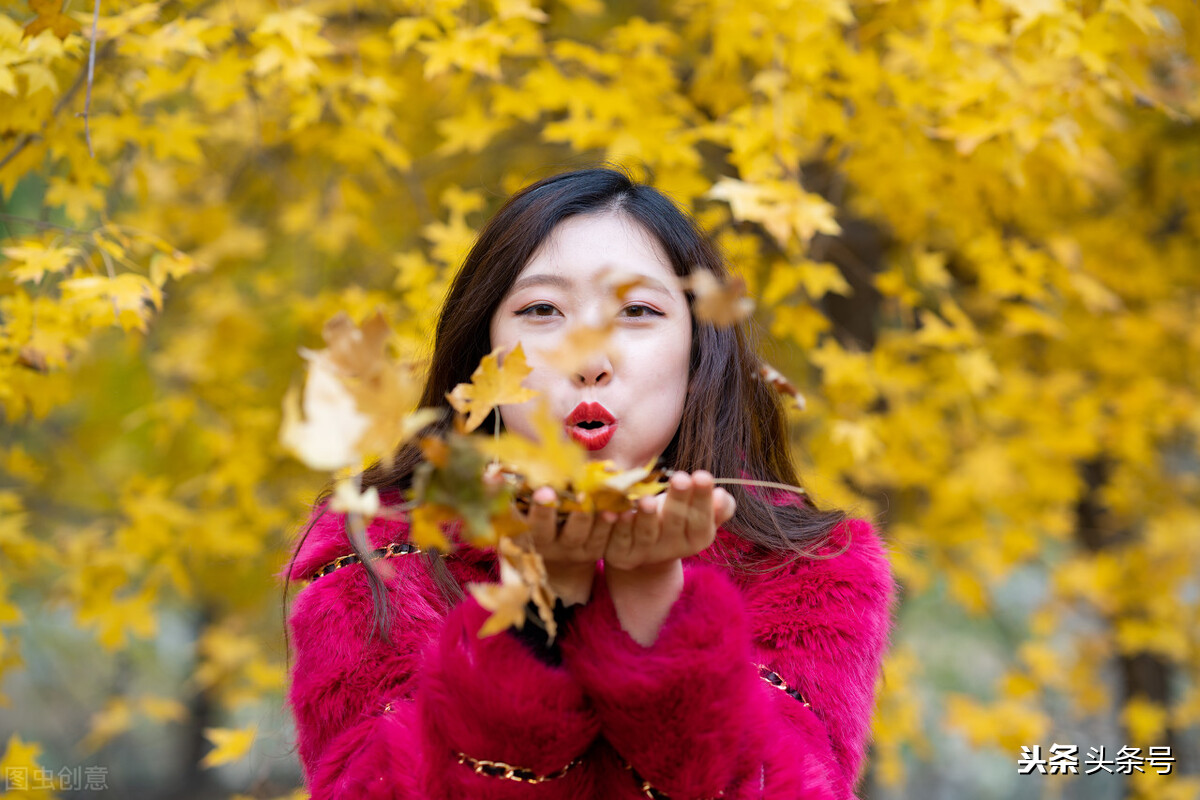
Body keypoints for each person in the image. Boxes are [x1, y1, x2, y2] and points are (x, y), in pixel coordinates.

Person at [281, 166, 896, 799]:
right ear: (482, 350)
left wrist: (656, 605)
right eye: (542, 310)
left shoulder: (807, 568)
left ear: (697, 350)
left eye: (638, 310)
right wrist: (533, 623)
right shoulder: (381, 554)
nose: (589, 361)